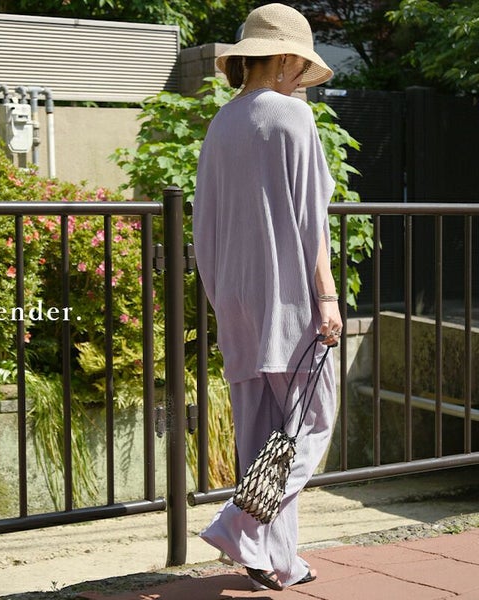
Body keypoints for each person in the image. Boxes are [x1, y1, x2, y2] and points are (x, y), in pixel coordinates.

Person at [192, 3, 343, 592]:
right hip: (286, 297)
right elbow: (312, 218)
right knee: (312, 419)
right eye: (299, 66)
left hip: (234, 294)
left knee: (262, 433)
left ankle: (275, 560)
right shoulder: (292, 118)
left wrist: (221, 294)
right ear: (283, 59)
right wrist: (326, 296)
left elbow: (204, 221)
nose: (300, 78)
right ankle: (240, 523)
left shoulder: (221, 122)